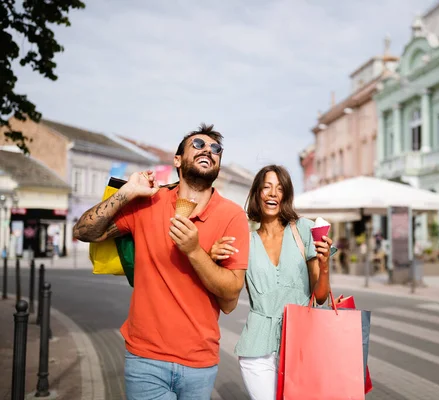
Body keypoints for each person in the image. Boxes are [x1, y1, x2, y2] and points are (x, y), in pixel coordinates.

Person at [72, 123, 250, 400]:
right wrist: (127, 192)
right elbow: (83, 231)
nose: (209, 151)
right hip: (146, 358)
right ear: (177, 160)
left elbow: (230, 297)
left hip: (199, 362)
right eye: (199, 145)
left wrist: (194, 251)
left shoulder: (232, 215)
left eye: (216, 149)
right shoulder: (148, 203)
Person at [209, 165, 334, 400]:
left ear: (286, 195)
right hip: (257, 346)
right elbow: (227, 303)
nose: (273, 193)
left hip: (301, 341)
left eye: (279, 188)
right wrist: (213, 260)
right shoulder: (244, 241)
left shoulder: (305, 230)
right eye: (266, 187)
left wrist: (325, 264)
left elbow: (320, 296)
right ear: (257, 194)